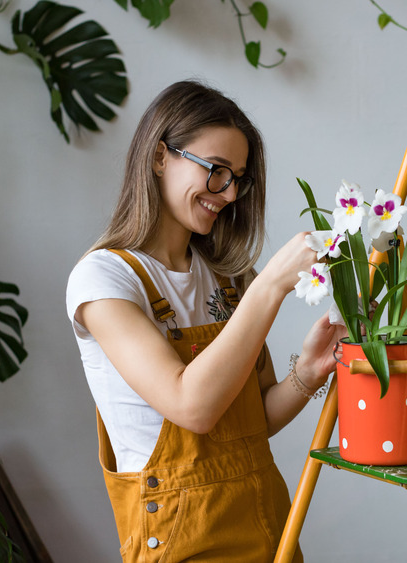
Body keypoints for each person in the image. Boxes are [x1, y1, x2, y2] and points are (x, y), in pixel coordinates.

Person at [66, 80, 344, 562]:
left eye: (238, 177)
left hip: (267, 524)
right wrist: (272, 284)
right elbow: (192, 407)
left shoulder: (229, 278)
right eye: (216, 171)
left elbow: (255, 420)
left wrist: (309, 372)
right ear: (159, 157)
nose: (229, 193)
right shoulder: (103, 279)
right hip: (181, 538)